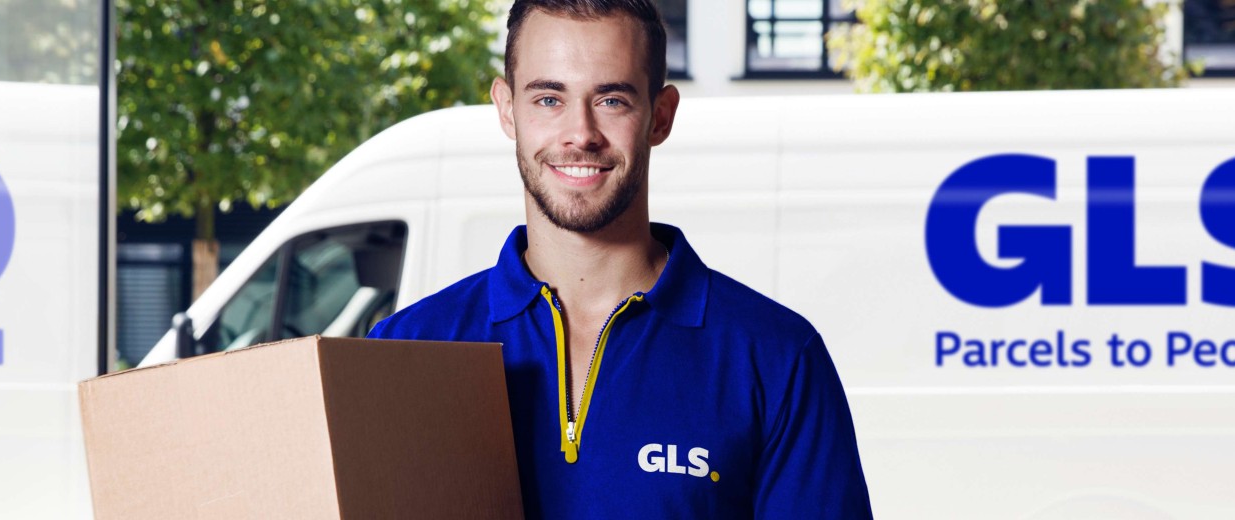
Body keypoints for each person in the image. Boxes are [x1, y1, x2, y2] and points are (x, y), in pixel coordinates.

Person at [367, 0, 873, 517]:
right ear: (506, 110)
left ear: (661, 115)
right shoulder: (402, 351)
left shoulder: (777, 358)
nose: (580, 133)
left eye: (611, 100)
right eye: (548, 99)